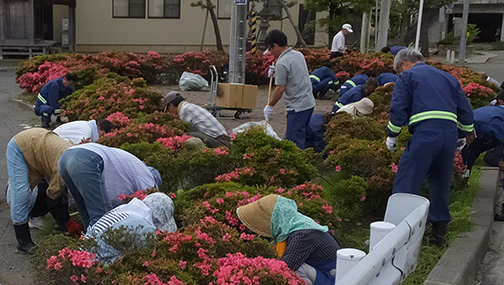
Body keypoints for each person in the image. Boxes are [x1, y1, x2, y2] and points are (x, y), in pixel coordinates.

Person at [385, 48, 474, 246]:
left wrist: (392, 135)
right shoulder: (448, 78)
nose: (399, 73)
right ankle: (438, 232)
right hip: (449, 135)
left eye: (398, 70)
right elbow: (465, 110)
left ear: (404, 63)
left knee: (407, 180)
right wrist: (462, 135)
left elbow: (398, 107)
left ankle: (395, 234)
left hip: (426, 133)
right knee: (440, 182)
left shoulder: (407, 77)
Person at [236, 194, 341, 285]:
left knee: (294, 271)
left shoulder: (303, 235)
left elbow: (284, 268)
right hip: (322, 269)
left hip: (333, 277)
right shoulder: (294, 222)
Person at [6, 128, 80, 253]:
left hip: (39, 146)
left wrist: (65, 220)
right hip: (20, 146)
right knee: (22, 193)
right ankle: (23, 242)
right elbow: (53, 197)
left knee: (60, 188)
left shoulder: (77, 162)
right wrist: (68, 222)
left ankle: (60, 225)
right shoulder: (64, 167)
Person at [58, 143, 160, 228]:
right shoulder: (148, 179)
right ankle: (101, 250)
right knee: (103, 218)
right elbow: (145, 210)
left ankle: (90, 246)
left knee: (86, 212)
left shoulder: (136, 166)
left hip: (65, 158)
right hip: (86, 159)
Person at [85, 193, 177, 263]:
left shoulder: (124, 209)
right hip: (95, 266)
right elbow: (144, 261)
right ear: (158, 218)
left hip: (81, 255)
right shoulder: (145, 228)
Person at [263, 30, 316, 149]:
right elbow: (295, 74)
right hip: (308, 103)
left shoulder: (282, 63)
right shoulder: (298, 55)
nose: (271, 53)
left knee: (293, 144)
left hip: (297, 107)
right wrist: (277, 72)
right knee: (305, 137)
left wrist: (270, 106)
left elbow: (280, 89)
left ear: (275, 45)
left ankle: (296, 166)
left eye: (270, 49)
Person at [163, 91, 230, 148]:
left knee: (186, 134)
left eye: (168, 110)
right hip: (224, 139)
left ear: (171, 106)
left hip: (221, 142)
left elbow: (183, 129)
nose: (169, 112)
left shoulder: (184, 110)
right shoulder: (188, 106)